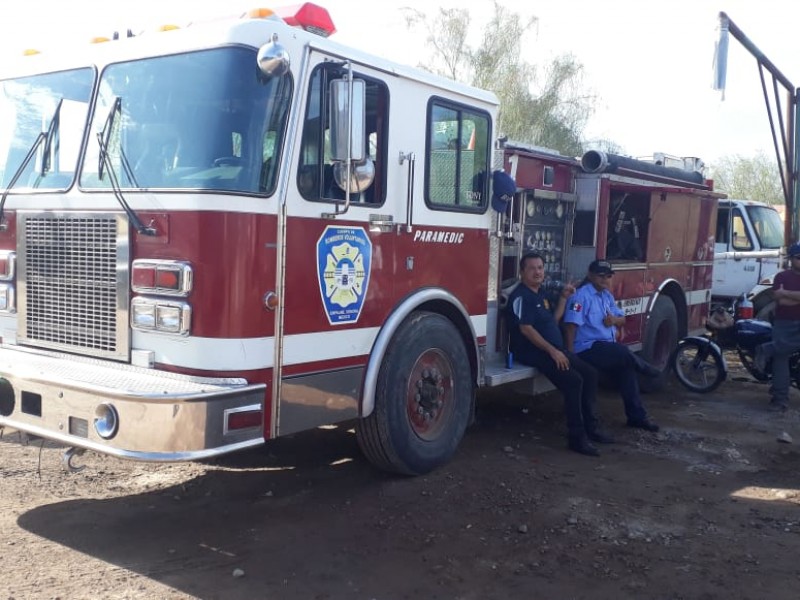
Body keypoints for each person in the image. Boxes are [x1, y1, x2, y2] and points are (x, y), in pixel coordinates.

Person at [506, 251, 613, 457]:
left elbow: (553, 321)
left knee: (590, 374)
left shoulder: (540, 294)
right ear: (522, 272)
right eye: (532, 268)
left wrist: (564, 299)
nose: (537, 272)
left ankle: (593, 428)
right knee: (573, 382)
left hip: (554, 349)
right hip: (534, 351)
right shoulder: (521, 296)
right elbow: (526, 329)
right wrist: (553, 351)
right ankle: (577, 438)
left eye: (540, 267)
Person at [562, 259, 660, 433]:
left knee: (626, 367)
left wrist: (613, 320)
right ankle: (645, 368)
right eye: (600, 276)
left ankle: (637, 417)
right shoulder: (581, 296)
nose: (605, 279)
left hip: (606, 348)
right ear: (590, 275)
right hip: (587, 348)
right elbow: (570, 327)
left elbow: (622, 319)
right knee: (623, 353)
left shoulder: (607, 296)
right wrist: (571, 357)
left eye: (608, 276)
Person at [754, 242, 800, 411]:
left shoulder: (784, 282)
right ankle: (780, 400)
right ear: (791, 259)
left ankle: (767, 349)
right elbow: (780, 301)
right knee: (781, 358)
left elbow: (784, 297)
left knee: (779, 351)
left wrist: (787, 294)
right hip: (784, 321)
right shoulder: (781, 277)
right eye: (799, 258)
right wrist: (792, 297)